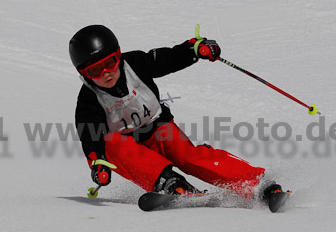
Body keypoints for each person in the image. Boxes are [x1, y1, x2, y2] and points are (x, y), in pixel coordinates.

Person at [70, 24, 288, 212]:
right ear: (84, 74)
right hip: (128, 145)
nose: (107, 73)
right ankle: (171, 184)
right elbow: (90, 136)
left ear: (119, 55)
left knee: (187, 155)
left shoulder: (136, 63)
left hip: (158, 129)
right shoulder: (88, 100)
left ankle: (258, 185)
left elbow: (168, 59)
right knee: (111, 144)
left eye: (110, 63)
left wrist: (194, 49)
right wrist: (98, 164)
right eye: (96, 71)